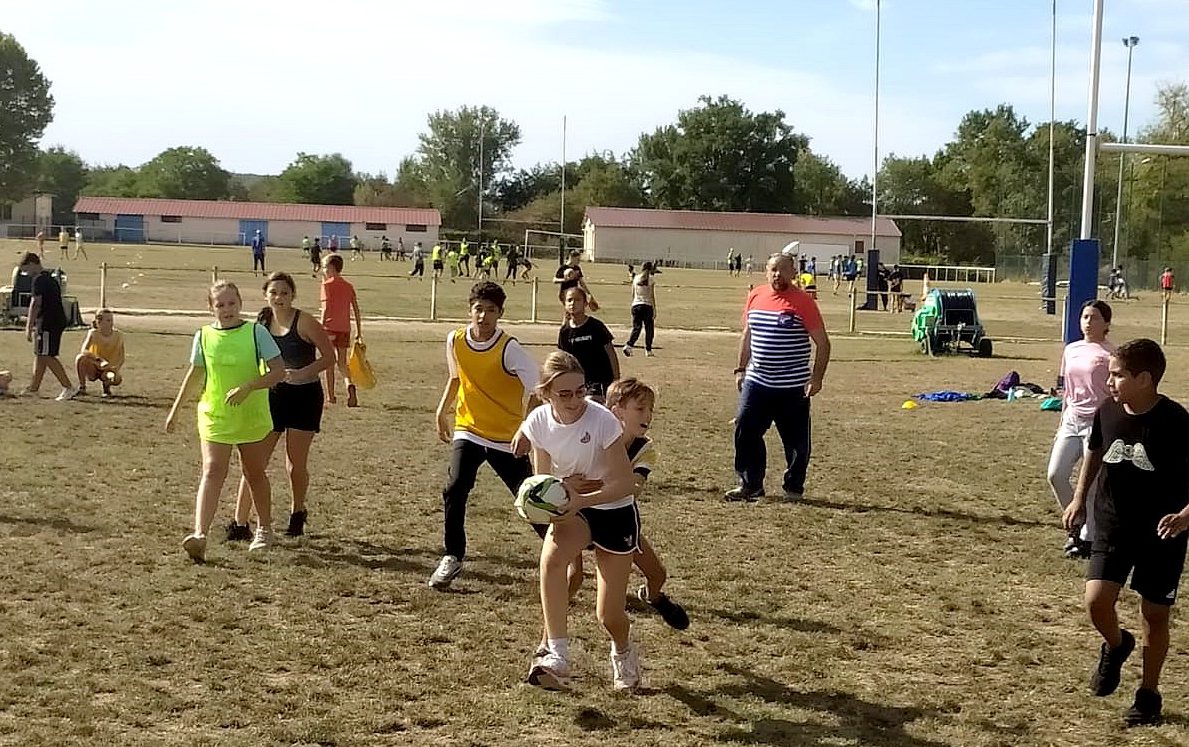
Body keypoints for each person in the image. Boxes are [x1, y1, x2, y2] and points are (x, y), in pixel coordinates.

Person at [1061, 338, 1189, 727]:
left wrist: (1185, 516)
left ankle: (1148, 694)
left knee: (1154, 612)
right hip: (1113, 522)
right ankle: (1117, 645)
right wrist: (1079, 499)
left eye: (1117, 375)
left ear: (1145, 379)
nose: (1110, 381)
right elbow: (1094, 453)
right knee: (1096, 601)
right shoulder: (1107, 411)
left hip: (1163, 531)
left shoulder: (1176, 421)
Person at [513, 352, 643, 692]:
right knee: (552, 562)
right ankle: (557, 654)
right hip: (576, 509)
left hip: (614, 510)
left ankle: (623, 651)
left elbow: (625, 483)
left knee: (608, 615)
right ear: (546, 394)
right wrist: (560, 491)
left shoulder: (601, 420)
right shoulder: (539, 421)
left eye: (580, 391)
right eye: (564, 394)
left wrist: (580, 499)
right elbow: (543, 479)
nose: (575, 400)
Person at [164, 280, 286, 561]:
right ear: (211, 308)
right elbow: (195, 374)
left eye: (231, 303)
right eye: (220, 305)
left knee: (253, 473)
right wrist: (175, 410)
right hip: (214, 414)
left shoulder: (256, 333)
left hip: (250, 416)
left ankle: (264, 529)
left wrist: (248, 387)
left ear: (240, 303)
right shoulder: (204, 336)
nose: (227, 309)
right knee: (212, 469)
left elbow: (279, 371)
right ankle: (200, 534)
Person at [430, 281, 541, 589]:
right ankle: (452, 556)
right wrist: (441, 411)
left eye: (491, 310)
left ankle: (566, 549)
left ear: (500, 314)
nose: (483, 316)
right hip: (469, 430)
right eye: (479, 309)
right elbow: (456, 378)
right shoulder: (455, 340)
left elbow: (537, 389)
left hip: (506, 438)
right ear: (470, 310)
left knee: (531, 498)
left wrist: (525, 428)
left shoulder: (510, 349)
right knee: (455, 488)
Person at [228, 272, 336, 541]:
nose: (279, 298)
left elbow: (330, 357)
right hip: (273, 396)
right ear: (265, 294)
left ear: (292, 296)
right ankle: (240, 524)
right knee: (255, 463)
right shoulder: (262, 321)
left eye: (284, 293)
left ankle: (297, 512)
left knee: (294, 464)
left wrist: (302, 373)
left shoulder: (305, 322)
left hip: (305, 397)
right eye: (273, 292)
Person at [727, 253, 831, 503]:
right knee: (745, 429)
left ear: (793, 273)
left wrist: (816, 379)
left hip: (793, 386)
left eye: (784, 270)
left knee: (796, 441)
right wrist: (741, 369)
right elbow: (747, 334)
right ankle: (750, 484)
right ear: (766, 271)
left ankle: (793, 486)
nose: (778, 275)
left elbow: (823, 344)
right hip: (757, 381)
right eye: (773, 269)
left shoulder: (803, 302)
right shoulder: (756, 296)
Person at [1048, 300, 1115, 559]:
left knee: (1090, 486)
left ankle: (1086, 538)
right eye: (1085, 316)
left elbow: (1114, 393)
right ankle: (1076, 523)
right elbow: (1066, 389)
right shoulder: (1071, 349)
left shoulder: (1110, 355)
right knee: (1056, 474)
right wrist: (1062, 420)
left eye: (1095, 318)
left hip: (1096, 425)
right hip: (1072, 420)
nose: (1088, 322)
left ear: (1106, 324)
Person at [19, 253, 76, 400]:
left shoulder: (38, 280)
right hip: (55, 321)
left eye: (26, 269)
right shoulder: (50, 278)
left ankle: (68, 387)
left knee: (47, 355)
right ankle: (34, 388)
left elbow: (36, 303)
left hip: (49, 322)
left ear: (32, 264)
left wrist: (28, 325)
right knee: (40, 354)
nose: (26, 273)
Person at [557, 284, 618, 402]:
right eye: (569, 300)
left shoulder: (596, 326)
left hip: (599, 381)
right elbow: (563, 359)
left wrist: (616, 380)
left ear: (585, 304)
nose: (573, 303)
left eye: (577, 300)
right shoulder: (564, 331)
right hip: (578, 381)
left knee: (590, 402)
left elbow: (611, 352)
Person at [320, 254, 363, 407]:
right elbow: (356, 309)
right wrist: (359, 330)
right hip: (345, 328)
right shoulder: (348, 286)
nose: (323, 270)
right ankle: (349, 384)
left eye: (324, 267)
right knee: (342, 363)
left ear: (331, 268)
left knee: (328, 362)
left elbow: (325, 310)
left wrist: (320, 327)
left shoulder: (326, 285)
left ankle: (331, 396)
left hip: (329, 328)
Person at [75, 309, 125, 397]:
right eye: (108, 320)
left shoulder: (118, 335)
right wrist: (99, 361)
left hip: (109, 368)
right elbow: (84, 350)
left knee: (117, 379)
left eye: (111, 320)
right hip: (95, 366)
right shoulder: (93, 333)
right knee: (80, 358)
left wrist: (115, 368)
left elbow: (121, 356)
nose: (111, 323)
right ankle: (82, 387)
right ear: (99, 322)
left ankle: (107, 388)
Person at [622, 262, 657, 358]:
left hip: (636, 305)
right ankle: (648, 350)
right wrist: (654, 309)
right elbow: (652, 296)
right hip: (647, 305)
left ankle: (629, 345)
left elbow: (633, 294)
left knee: (637, 328)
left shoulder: (636, 278)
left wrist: (633, 304)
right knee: (649, 329)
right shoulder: (651, 280)